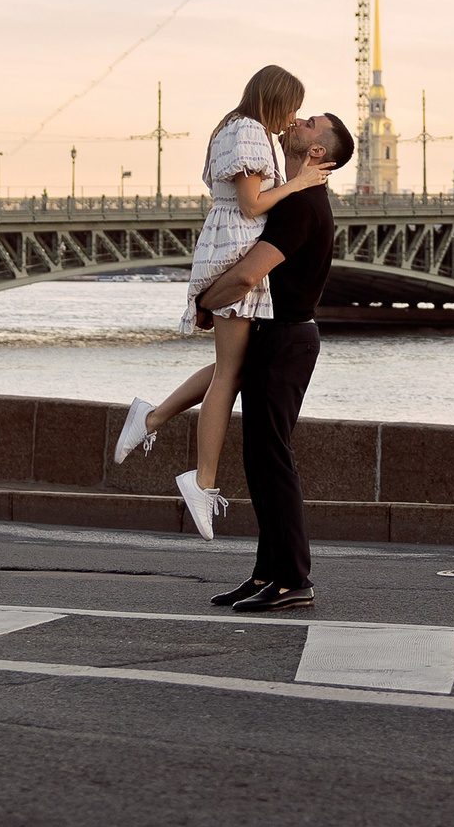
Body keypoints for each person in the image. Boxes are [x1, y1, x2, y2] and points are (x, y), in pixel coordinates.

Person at [112, 67, 330, 539]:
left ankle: (151, 417)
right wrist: (299, 183)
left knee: (233, 363)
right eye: (293, 107)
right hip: (234, 245)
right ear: (275, 100)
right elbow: (252, 206)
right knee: (231, 371)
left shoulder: (242, 128)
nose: (294, 118)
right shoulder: (250, 131)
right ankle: (201, 479)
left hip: (229, 241)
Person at [191, 110, 352, 613]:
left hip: (285, 341)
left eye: (308, 123)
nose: (296, 120)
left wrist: (202, 299)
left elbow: (246, 278)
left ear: (317, 152)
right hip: (279, 338)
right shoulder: (292, 195)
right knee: (261, 462)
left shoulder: (300, 204)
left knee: (273, 461)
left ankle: (293, 579)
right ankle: (267, 572)